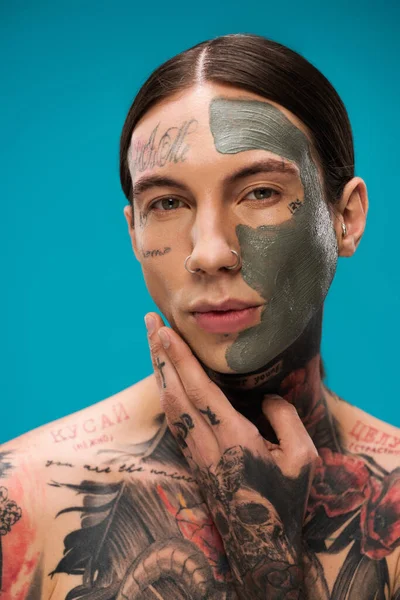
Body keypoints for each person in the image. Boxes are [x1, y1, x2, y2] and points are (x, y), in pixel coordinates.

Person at [1, 33, 399, 600]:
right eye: (166, 203)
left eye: (259, 192)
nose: (210, 252)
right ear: (133, 233)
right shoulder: (23, 499)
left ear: (347, 218)